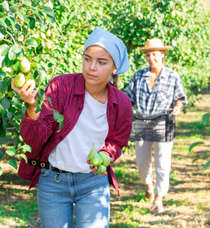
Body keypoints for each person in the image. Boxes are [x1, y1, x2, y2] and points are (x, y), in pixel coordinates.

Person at [13, 27, 132, 228]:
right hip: (53, 182)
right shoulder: (61, 86)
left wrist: (105, 155)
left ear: (114, 67)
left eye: (101, 62)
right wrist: (32, 107)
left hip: (93, 183)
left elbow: (117, 141)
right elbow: (37, 137)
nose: (91, 67)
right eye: (87, 59)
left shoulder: (120, 103)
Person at [124, 38, 187, 214]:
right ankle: (148, 186)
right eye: (148, 55)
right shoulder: (139, 76)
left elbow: (180, 98)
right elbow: (127, 97)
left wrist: (177, 107)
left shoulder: (172, 76)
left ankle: (159, 198)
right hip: (142, 121)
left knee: (162, 160)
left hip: (163, 121)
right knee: (142, 161)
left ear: (162, 54)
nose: (151, 58)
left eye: (155, 54)